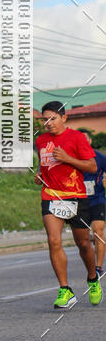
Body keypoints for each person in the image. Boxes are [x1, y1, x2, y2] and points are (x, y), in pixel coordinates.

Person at [35, 102, 101, 309]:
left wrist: (68, 158)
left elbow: (92, 166)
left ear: (64, 118)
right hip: (51, 195)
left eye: (52, 118)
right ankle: (65, 289)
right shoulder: (41, 140)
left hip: (76, 196)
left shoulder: (77, 138)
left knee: (83, 244)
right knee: (54, 241)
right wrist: (40, 175)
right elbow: (44, 165)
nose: (48, 123)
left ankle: (92, 278)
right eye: (44, 119)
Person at [77, 129, 106, 277]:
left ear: (90, 142)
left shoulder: (100, 158)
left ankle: (99, 267)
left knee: (98, 231)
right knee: (83, 239)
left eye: (85, 140)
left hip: (97, 199)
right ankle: (90, 266)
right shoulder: (71, 159)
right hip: (78, 201)